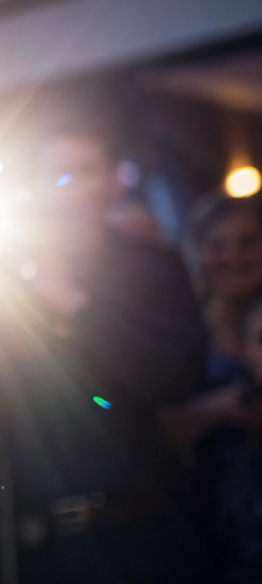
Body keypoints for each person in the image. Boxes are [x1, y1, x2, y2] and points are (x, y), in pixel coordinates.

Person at [0, 125, 208, 583]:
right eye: (57, 174)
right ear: (35, 187)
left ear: (113, 182)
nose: (70, 186)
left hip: (139, 529)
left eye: (85, 172)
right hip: (33, 542)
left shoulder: (153, 266)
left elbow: (179, 379)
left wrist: (78, 310)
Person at [164, 194, 262, 582]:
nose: (233, 257)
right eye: (217, 245)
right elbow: (150, 432)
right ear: (198, 253)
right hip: (211, 525)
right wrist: (218, 408)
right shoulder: (182, 336)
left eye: (248, 242)